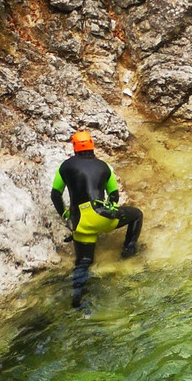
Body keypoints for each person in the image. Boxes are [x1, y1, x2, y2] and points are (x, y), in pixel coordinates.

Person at [50, 130, 144, 308]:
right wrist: (111, 212)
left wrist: (66, 216)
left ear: (75, 148)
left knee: (83, 263)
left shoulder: (65, 166)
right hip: (103, 217)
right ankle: (128, 251)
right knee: (137, 214)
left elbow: (55, 195)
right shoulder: (104, 166)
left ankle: (76, 301)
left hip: (81, 224)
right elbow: (114, 196)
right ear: (92, 146)